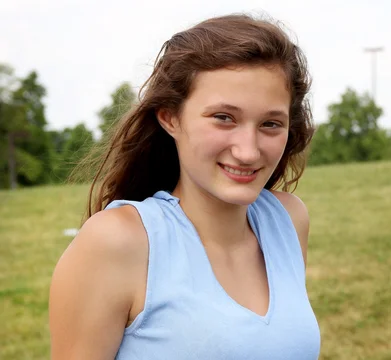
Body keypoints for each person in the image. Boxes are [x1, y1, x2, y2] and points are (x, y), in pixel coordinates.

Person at [49, 13, 320, 360]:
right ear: (170, 118)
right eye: (224, 118)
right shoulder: (117, 242)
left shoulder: (289, 219)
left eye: (270, 123)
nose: (248, 151)